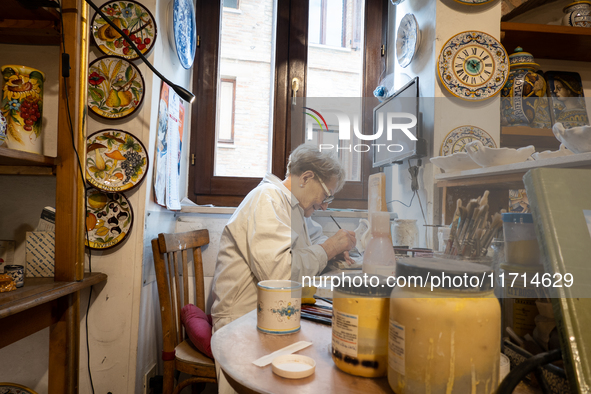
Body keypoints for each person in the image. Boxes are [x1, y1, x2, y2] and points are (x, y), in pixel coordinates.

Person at [210, 144, 356, 393]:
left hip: (270, 314)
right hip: (242, 319)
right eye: (326, 195)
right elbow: (280, 277)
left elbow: (299, 259)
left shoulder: (295, 209)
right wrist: (329, 248)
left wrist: (329, 257)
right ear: (307, 177)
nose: (325, 206)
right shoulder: (267, 198)